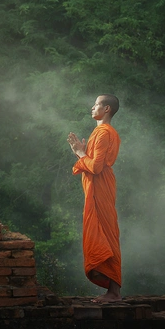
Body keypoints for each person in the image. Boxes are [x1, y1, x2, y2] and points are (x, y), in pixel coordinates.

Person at [67, 94, 122, 302]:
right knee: (104, 232)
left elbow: (96, 167)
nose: (92, 107)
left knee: (107, 234)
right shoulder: (102, 132)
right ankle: (112, 289)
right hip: (99, 188)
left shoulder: (104, 133)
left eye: (96, 104)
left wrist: (80, 153)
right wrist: (80, 153)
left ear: (106, 109)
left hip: (101, 188)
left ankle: (114, 292)